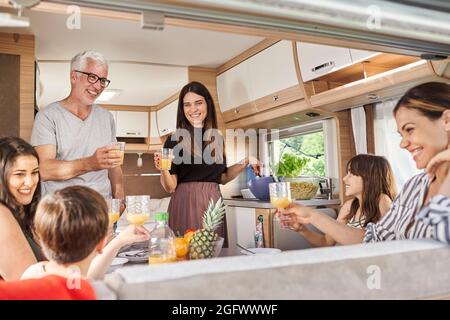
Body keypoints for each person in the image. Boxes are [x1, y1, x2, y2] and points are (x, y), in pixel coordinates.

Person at [154, 81, 260, 241]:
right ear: (182, 110)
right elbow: (170, 186)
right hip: (186, 204)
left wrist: (246, 160)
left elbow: (222, 178)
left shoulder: (216, 138)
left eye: (198, 103)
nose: (193, 109)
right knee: (187, 255)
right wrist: (163, 168)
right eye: (187, 105)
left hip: (214, 205)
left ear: (208, 105)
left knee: (214, 256)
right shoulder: (174, 140)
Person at [362, 82, 450, 243]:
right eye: (401, 135)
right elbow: (378, 240)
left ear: (447, 120)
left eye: (409, 129)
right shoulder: (414, 185)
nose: (402, 144)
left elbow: (441, 244)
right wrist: (313, 217)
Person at [30, 51, 124, 202]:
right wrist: (90, 163)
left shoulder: (107, 118)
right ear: (74, 76)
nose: (98, 86)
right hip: (62, 213)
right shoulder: (47, 116)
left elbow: (114, 166)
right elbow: (44, 169)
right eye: (92, 77)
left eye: (103, 80)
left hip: (102, 211)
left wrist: (120, 198)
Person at [20, 186, 150, 282]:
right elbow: (87, 279)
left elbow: (87, 277)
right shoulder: (86, 291)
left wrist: (120, 240)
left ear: (41, 240)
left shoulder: (32, 274)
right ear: (101, 244)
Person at [278, 154, 397, 246]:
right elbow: (326, 242)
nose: (345, 179)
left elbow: (382, 244)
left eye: (352, 173)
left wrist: (310, 214)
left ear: (370, 177)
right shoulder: (349, 206)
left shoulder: (383, 200)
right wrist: (301, 229)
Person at [0, 136, 44, 280]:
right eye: (19, 174)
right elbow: (31, 287)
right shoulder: (1, 215)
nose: (30, 182)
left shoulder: (23, 211)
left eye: (34, 172)